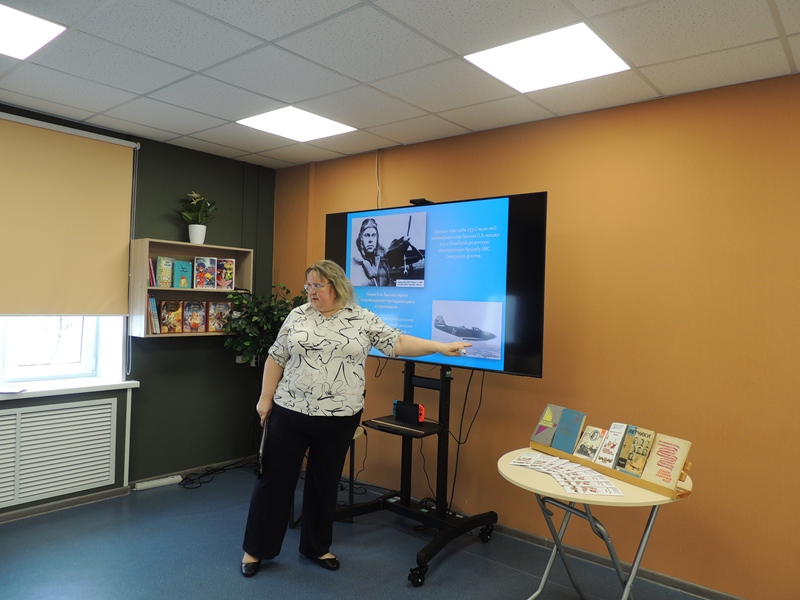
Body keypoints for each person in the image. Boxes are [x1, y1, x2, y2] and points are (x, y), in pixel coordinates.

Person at [240, 259, 470, 578]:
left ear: (336, 286)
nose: (311, 291)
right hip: (290, 412)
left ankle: (316, 546)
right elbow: (276, 357)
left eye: (317, 285)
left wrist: (440, 347)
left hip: (339, 418)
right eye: (308, 285)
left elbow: (397, 342)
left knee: (325, 483)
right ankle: (256, 549)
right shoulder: (297, 315)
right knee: (274, 481)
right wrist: (265, 398)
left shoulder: (361, 318)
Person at [351, 218, 392, 286]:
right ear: (361, 238)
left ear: (377, 238)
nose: (370, 240)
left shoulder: (383, 262)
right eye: (367, 235)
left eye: (373, 235)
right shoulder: (353, 264)